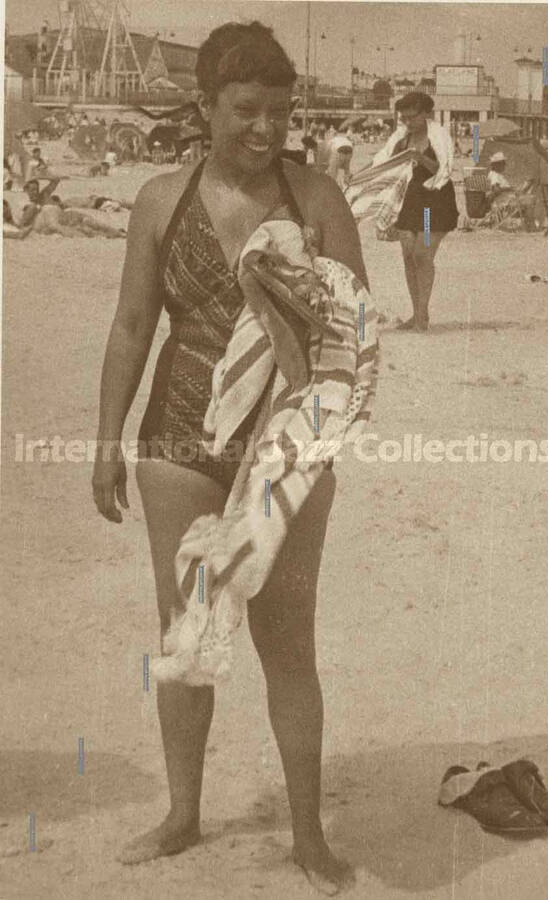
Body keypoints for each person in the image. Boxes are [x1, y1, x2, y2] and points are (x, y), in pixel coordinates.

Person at [91, 19, 368, 895]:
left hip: (285, 446)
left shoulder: (317, 199)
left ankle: (308, 837)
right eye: (245, 110)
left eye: (280, 112)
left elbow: (351, 341)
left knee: (286, 641)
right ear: (203, 105)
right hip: (177, 439)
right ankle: (181, 814)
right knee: (188, 635)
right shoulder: (158, 198)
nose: (265, 129)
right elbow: (134, 324)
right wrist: (106, 439)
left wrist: (303, 431)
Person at [372, 91, 458, 332]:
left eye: (412, 117)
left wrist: (418, 157)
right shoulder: (400, 137)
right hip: (408, 202)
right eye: (404, 118)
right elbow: (383, 160)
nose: (407, 123)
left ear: (426, 114)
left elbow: (442, 169)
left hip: (433, 203)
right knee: (408, 255)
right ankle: (417, 313)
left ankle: (423, 315)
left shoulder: (438, 136)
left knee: (422, 254)